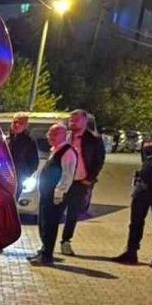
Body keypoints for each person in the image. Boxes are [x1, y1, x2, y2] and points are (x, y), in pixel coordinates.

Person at [112, 108, 152, 267]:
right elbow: (144, 160)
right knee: (135, 221)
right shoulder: (148, 139)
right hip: (143, 186)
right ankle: (131, 252)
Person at [58, 109, 105, 256]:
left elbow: (99, 160)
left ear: (85, 121)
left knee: (72, 213)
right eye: (71, 120)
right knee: (53, 211)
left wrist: (89, 179)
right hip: (61, 181)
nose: (72, 123)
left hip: (79, 182)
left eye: (76, 120)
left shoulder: (93, 140)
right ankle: (47, 243)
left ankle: (66, 241)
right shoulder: (64, 136)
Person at [30, 123, 78, 266]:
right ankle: (44, 249)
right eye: (49, 134)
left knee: (50, 224)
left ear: (64, 135)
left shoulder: (67, 152)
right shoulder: (55, 150)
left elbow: (67, 175)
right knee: (43, 222)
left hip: (55, 196)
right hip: (46, 194)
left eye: (54, 134)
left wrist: (59, 193)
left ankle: (47, 255)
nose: (50, 137)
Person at [6, 114, 40, 192]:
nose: (17, 125)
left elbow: (34, 163)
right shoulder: (6, 139)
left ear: (26, 126)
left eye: (21, 123)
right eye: (15, 122)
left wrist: (23, 176)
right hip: (3, 177)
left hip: (17, 179)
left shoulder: (29, 142)